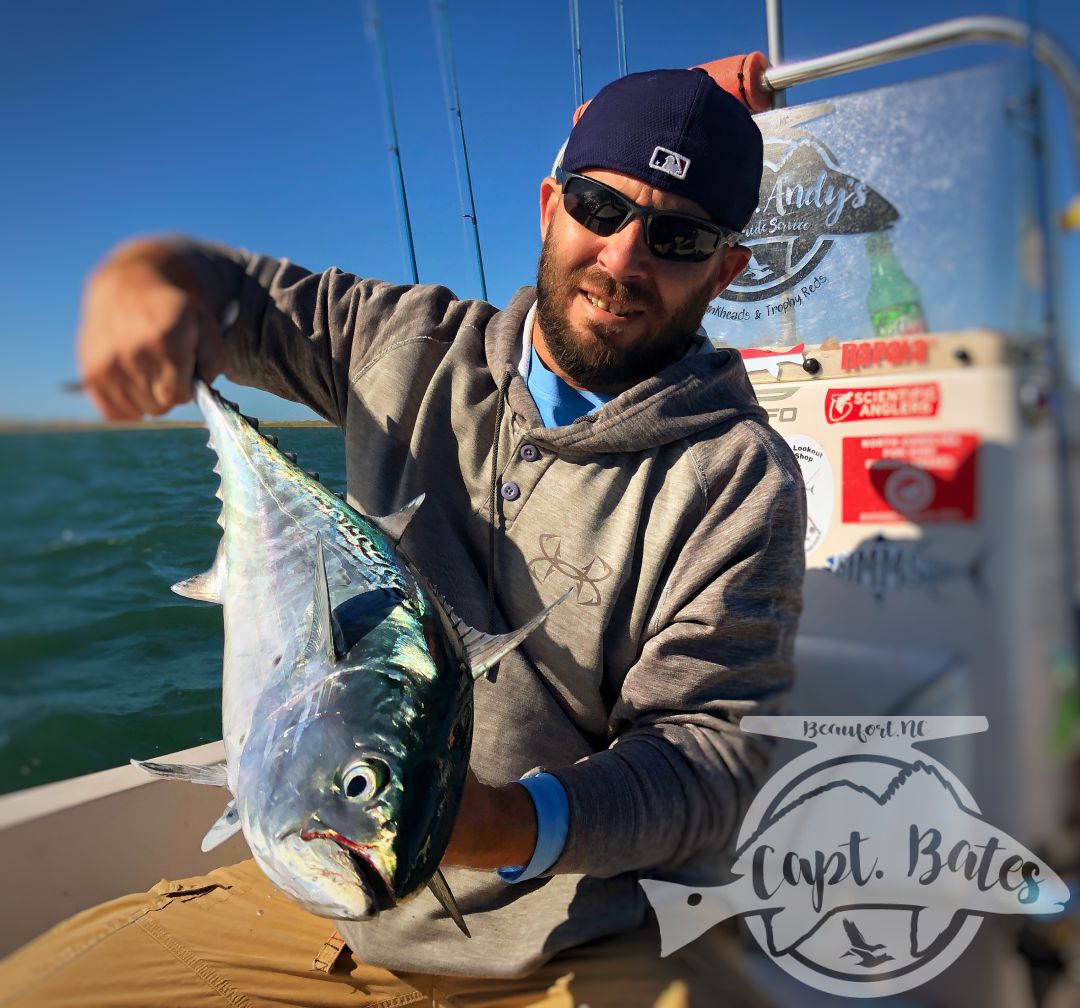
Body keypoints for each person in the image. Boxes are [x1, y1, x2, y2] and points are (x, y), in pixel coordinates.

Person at [2, 68, 805, 1007]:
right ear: (551, 204)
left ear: (726, 269)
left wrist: (505, 826)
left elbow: (710, 758)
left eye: (678, 237)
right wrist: (143, 280)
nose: (623, 259)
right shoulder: (405, 340)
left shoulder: (739, 479)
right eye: (599, 205)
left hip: (566, 945)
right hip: (313, 900)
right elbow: (228, 292)